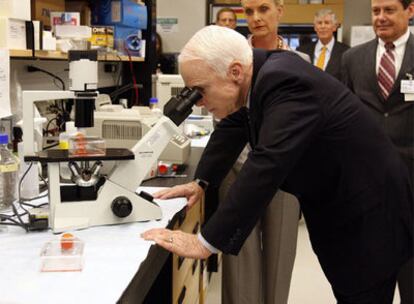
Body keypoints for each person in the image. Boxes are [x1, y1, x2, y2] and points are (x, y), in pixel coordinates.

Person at [142, 25, 414, 304]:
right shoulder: (259, 75)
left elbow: (267, 162)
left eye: (200, 90)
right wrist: (200, 182)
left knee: (363, 295)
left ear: (235, 71)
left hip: (369, 214)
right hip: (340, 205)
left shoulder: (283, 80)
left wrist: (205, 242)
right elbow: (234, 125)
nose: (197, 103)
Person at [215, 1, 307, 303]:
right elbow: (224, 118)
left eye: (263, 9)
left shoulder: (300, 61)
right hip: (237, 170)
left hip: (285, 174)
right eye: (249, 11)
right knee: (238, 259)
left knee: (280, 256)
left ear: (280, 9)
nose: (255, 18)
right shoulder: (229, 57)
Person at [341, 0, 414, 302]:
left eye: (389, 10)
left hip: (412, 186)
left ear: (410, 11)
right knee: (369, 282)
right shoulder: (352, 59)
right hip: (367, 189)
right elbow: (342, 120)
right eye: (375, 11)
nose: (380, 18)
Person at [296, 9, 349, 80]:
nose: (323, 26)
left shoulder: (346, 52)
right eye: (319, 23)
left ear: (334, 27)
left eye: (327, 23)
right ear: (315, 27)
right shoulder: (301, 51)